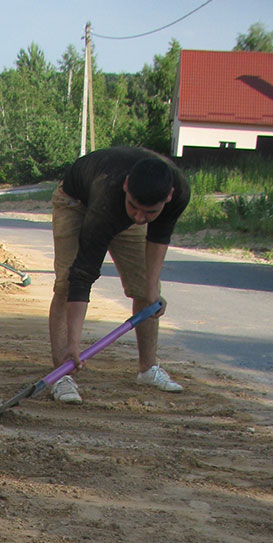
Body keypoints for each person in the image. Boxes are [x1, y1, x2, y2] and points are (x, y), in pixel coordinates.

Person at [48, 146, 190, 404]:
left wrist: (151, 292)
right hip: (76, 201)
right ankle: (61, 373)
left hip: (116, 202)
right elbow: (83, 273)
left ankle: (148, 369)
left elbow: (159, 237)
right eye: (135, 208)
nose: (139, 218)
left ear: (168, 197)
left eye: (150, 213)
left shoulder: (178, 191)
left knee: (145, 285)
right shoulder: (107, 200)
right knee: (67, 282)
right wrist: (75, 342)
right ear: (127, 186)